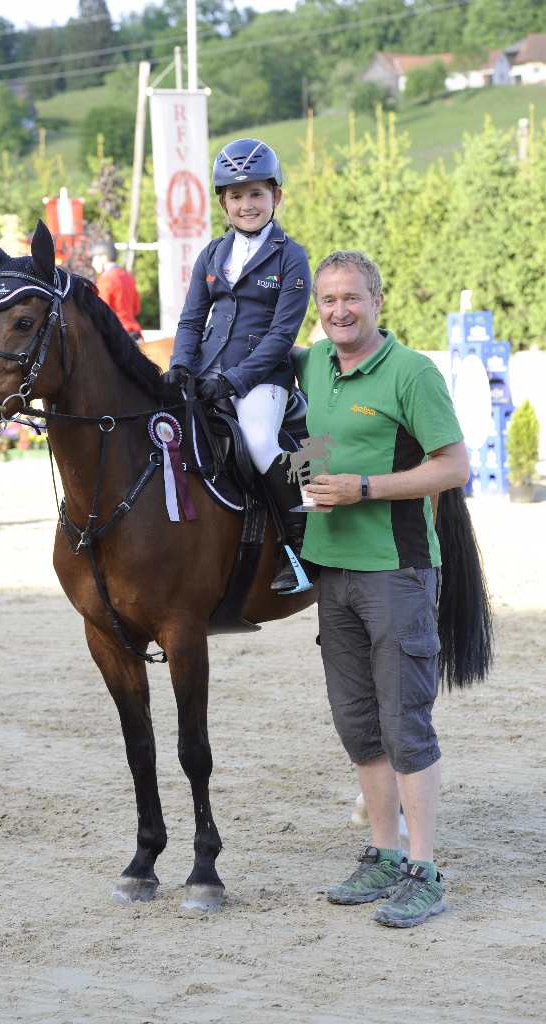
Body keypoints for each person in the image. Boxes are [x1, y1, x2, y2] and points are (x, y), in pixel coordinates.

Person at [293, 250, 470, 928]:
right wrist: (310, 478)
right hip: (330, 572)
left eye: (351, 298)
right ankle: (383, 852)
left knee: (404, 724)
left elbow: (452, 467)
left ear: (376, 301)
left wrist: (364, 488)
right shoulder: (313, 362)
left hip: (395, 570)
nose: (338, 310)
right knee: (357, 724)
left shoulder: (411, 372)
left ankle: (424, 870)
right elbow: (312, 438)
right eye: (327, 299)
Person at [165, 139, 312, 591]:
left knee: (259, 438)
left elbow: (281, 336)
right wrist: (180, 367)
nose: (246, 204)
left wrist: (233, 381)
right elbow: (191, 320)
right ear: (223, 202)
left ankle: (298, 548)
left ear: (276, 197)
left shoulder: (292, 256)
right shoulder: (212, 254)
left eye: (256, 194)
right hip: (208, 372)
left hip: (263, 377)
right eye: (236, 195)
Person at [90, 240, 143, 341]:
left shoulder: (105, 280)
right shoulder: (129, 277)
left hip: (115, 333)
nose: (92, 264)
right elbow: (136, 309)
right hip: (134, 332)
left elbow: (100, 311)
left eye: (94, 259)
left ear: (104, 258)